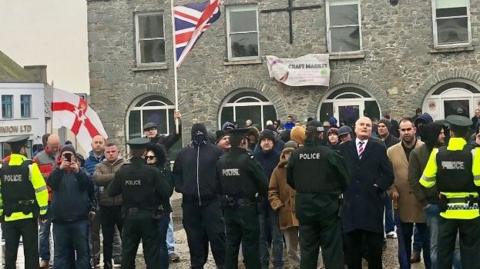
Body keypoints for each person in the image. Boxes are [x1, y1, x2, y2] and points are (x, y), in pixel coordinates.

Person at [419, 115, 480, 269]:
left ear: (450, 132)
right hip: (471, 212)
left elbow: (425, 182)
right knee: (471, 254)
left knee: (444, 253)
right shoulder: (475, 153)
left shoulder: (437, 153)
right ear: (467, 133)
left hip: (446, 211)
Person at [287, 121, 349, 269]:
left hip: (305, 207)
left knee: (308, 251)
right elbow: (345, 178)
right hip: (328, 207)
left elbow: (290, 180)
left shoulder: (295, 155)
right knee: (332, 250)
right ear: (321, 134)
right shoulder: (330, 154)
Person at [108, 137, 173, 268]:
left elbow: (111, 191)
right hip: (149, 217)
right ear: (144, 152)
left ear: (131, 152)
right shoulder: (152, 171)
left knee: (128, 253)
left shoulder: (123, 171)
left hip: (129, 217)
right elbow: (166, 192)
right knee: (151, 253)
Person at [340, 116, 394, 269]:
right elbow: (337, 173)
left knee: (374, 252)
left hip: (372, 206)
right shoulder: (344, 148)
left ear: (372, 129)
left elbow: (388, 174)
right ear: (355, 128)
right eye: (361, 125)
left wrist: (377, 187)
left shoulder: (378, 147)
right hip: (350, 207)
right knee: (352, 253)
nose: (365, 127)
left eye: (368, 125)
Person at [173, 123, 226, 269]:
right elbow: (176, 173)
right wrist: (181, 188)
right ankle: (197, 265)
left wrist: (219, 192)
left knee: (218, 238)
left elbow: (222, 174)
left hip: (212, 202)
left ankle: (223, 265)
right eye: (195, 133)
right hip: (191, 204)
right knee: (195, 240)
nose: (198, 135)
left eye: (200, 133)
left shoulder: (216, 152)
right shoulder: (183, 154)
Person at [216, 128, 268, 269]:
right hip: (247, 208)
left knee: (231, 244)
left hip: (229, 207)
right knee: (250, 246)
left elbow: (217, 186)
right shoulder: (248, 160)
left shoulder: (221, 161)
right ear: (243, 141)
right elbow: (263, 184)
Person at [387, 118, 430, 269]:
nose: (406, 133)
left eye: (408, 129)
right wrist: (391, 189)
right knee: (404, 241)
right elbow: (387, 175)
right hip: (402, 201)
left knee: (428, 241)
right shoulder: (391, 151)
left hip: (423, 202)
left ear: (414, 130)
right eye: (403, 130)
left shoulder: (425, 148)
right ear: (399, 132)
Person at [0, 135, 48, 269]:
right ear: (22, 149)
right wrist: (43, 211)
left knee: (10, 255)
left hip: (9, 217)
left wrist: (0, 212)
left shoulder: (2, 168)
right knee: (31, 254)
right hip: (28, 217)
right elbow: (41, 189)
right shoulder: (30, 166)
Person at [47, 145, 96, 269]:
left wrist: (78, 171)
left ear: (75, 157)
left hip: (80, 220)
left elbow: (88, 186)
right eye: (65, 156)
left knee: (83, 253)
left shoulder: (82, 171)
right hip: (60, 222)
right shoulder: (56, 171)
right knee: (61, 255)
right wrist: (60, 168)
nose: (68, 159)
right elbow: (51, 183)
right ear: (60, 158)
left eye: (70, 156)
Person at [144, 111, 182, 262]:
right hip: (148, 186)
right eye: (148, 130)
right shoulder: (143, 145)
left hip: (162, 182)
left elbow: (176, 135)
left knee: (168, 216)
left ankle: (170, 248)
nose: (151, 131)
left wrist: (177, 120)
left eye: (153, 129)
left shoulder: (163, 142)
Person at [93, 142, 125, 269]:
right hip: (105, 206)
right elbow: (97, 179)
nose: (111, 154)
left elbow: (124, 177)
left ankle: (126, 261)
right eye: (108, 152)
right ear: (104, 153)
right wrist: (117, 176)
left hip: (122, 205)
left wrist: (107, 178)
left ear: (118, 152)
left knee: (125, 236)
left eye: (113, 151)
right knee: (107, 239)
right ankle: (107, 264)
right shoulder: (100, 166)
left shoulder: (124, 165)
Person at [254, 129, 283, 269]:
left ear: (273, 142)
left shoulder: (279, 157)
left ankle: (278, 264)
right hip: (259, 202)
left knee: (277, 236)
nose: (266, 143)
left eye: (269, 140)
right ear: (260, 143)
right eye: (263, 140)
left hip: (275, 202)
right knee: (261, 236)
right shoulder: (254, 158)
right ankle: (263, 263)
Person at [268, 141, 299, 267]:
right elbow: (272, 191)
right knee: (291, 248)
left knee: (309, 245)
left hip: (305, 211)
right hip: (286, 213)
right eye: (287, 153)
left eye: (292, 153)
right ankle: (295, 266)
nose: (289, 156)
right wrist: (278, 205)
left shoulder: (304, 166)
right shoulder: (278, 170)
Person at [33, 133, 61, 268]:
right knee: (44, 231)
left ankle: (59, 257)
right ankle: (44, 258)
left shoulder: (62, 156)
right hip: (44, 201)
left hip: (60, 200)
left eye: (57, 146)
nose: (56, 150)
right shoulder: (38, 159)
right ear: (46, 146)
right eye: (53, 147)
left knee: (59, 231)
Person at [145, 143, 174, 268]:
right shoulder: (144, 172)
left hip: (161, 211)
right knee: (149, 243)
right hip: (146, 211)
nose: (148, 160)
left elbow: (167, 192)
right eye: (146, 157)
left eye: (151, 157)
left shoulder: (165, 172)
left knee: (161, 242)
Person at [84, 134, 110, 267]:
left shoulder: (110, 160)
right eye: (96, 142)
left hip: (109, 202)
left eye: (100, 142)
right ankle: (95, 260)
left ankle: (115, 259)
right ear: (92, 145)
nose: (98, 144)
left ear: (104, 144)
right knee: (93, 234)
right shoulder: (86, 162)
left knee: (112, 233)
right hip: (93, 203)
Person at [377, 118, 399, 240]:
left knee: (390, 205)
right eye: (379, 126)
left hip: (392, 176)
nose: (380, 128)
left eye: (383, 126)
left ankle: (390, 228)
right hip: (379, 177)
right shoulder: (374, 141)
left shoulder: (395, 141)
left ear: (388, 128)